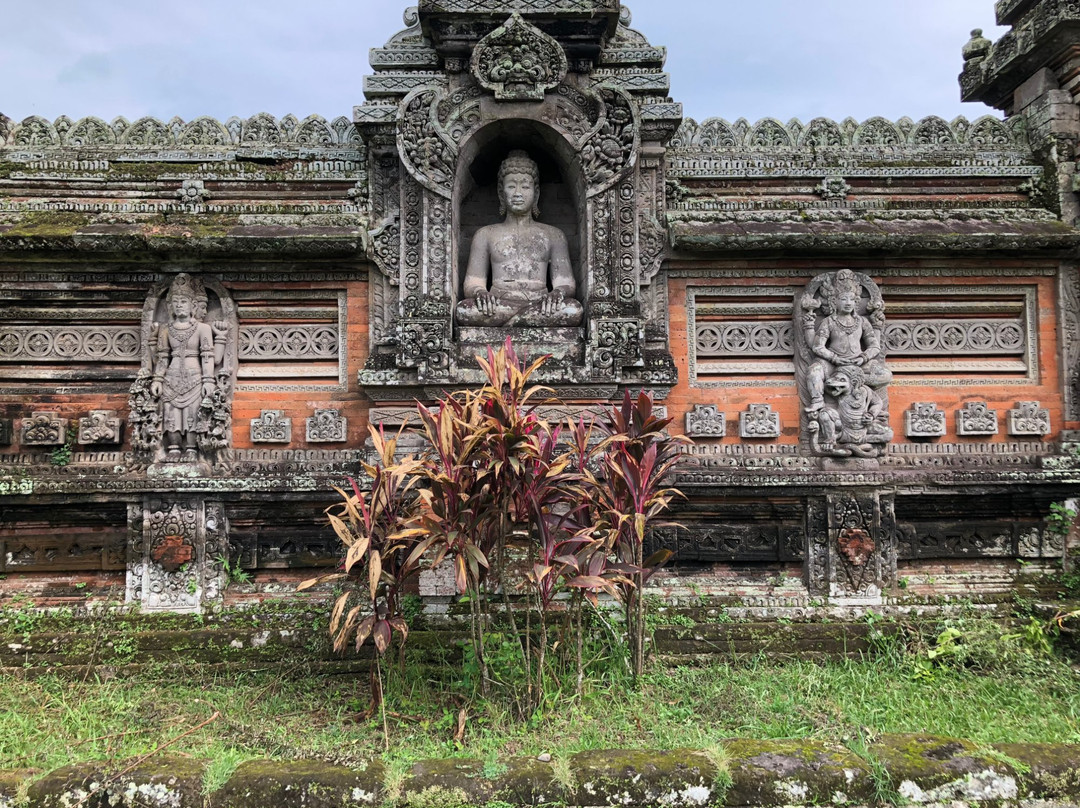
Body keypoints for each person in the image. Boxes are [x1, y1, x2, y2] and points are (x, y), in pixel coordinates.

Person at [456, 150, 583, 328]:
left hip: (541, 305)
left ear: (536, 192)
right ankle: (523, 320)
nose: (517, 193)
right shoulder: (485, 234)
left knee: (573, 310)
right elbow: (473, 282)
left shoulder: (554, 235)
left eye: (525, 187)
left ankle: (511, 323)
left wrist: (558, 293)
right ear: (501, 192)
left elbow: (565, 282)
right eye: (511, 186)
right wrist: (480, 293)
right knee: (464, 310)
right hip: (498, 305)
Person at [150, 274, 226, 462]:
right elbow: (161, 358)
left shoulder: (203, 329)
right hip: (171, 376)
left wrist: (208, 380)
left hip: (195, 377)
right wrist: (157, 379)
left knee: (193, 413)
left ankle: (191, 448)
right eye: (175, 302)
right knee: (170, 414)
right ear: (170, 306)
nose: (179, 305)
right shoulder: (166, 329)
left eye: (184, 301)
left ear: (193, 305)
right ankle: (174, 448)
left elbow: (210, 357)